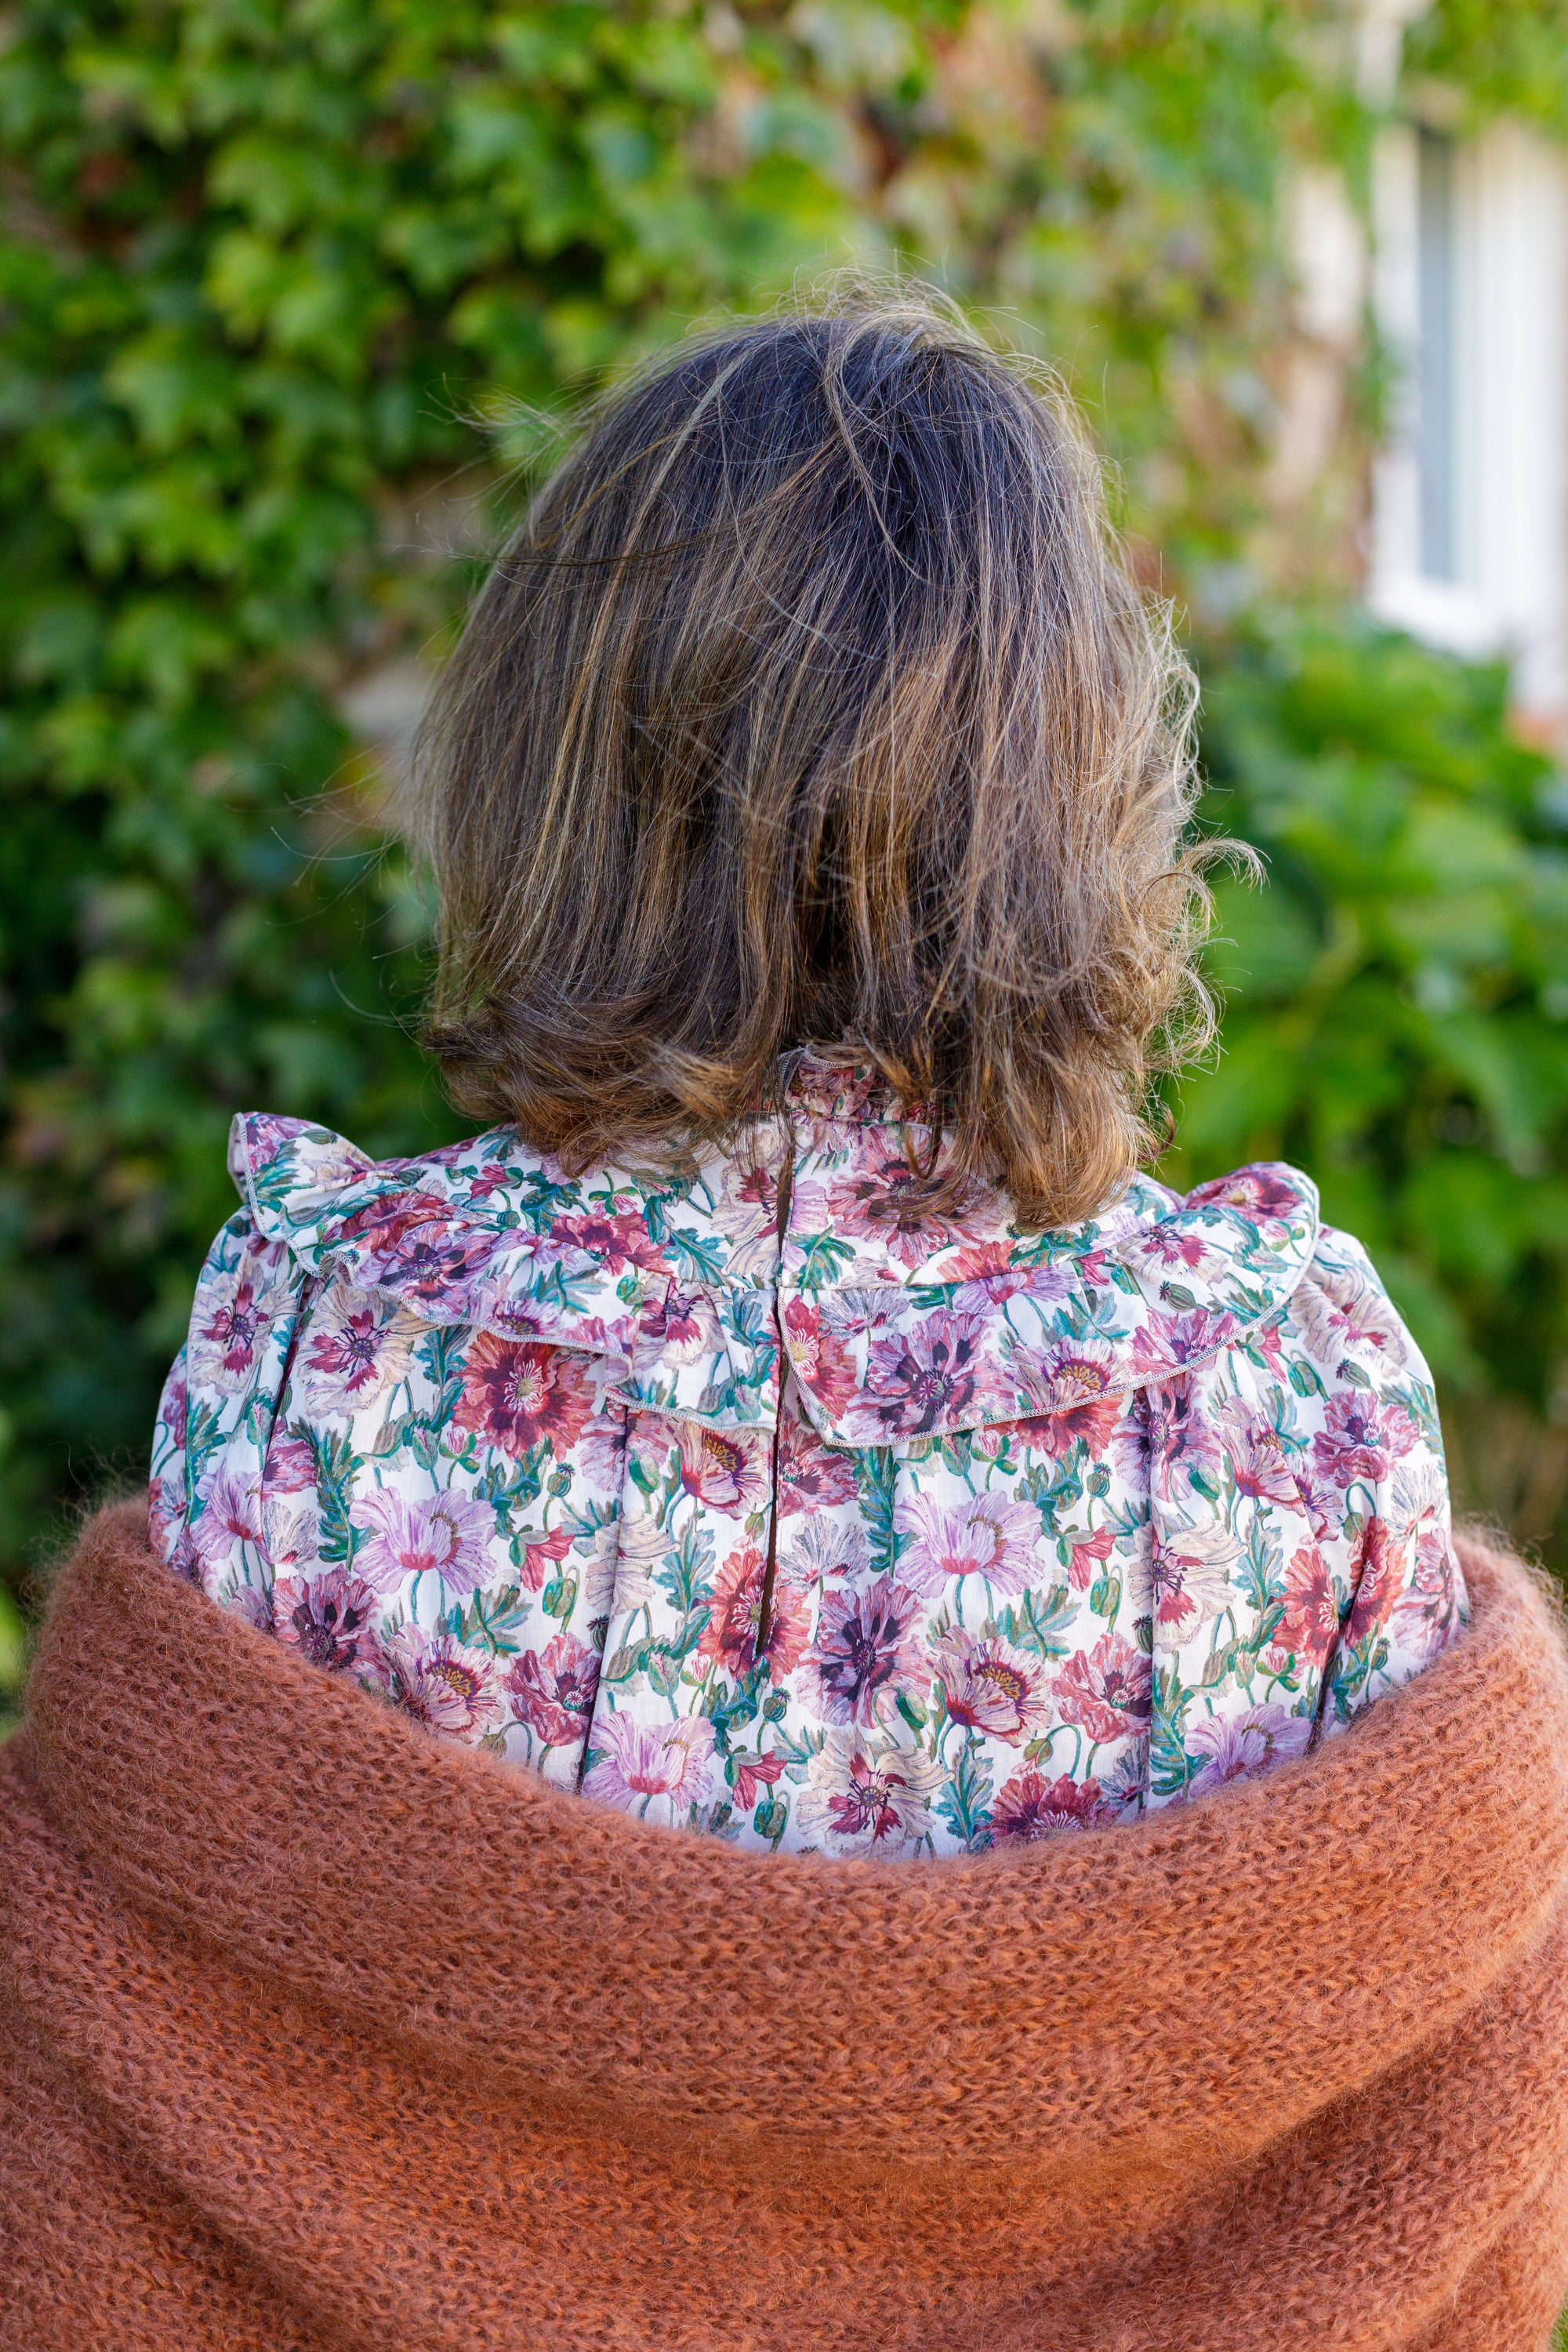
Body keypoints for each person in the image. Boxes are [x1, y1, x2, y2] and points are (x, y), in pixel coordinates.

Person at [147, 292, 1464, 1858]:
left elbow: (188, 2014)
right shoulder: (1300, 1388)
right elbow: (1405, 2043)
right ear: (1077, 770)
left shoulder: (313, 1336)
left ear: (548, 763)